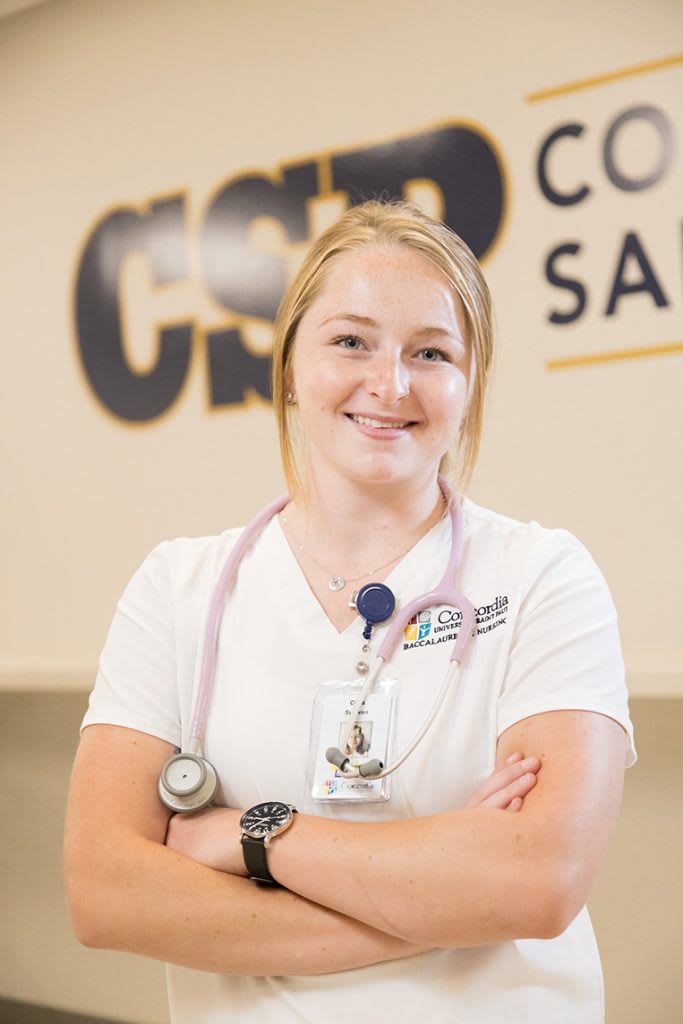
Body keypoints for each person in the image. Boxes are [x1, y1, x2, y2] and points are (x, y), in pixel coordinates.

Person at [65, 200, 635, 1024]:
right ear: (290, 365)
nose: (388, 383)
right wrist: (439, 907)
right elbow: (106, 893)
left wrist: (253, 837)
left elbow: (537, 883)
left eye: (430, 352)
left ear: (469, 386)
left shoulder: (545, 577)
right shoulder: (178, 590)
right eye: (350, 340)